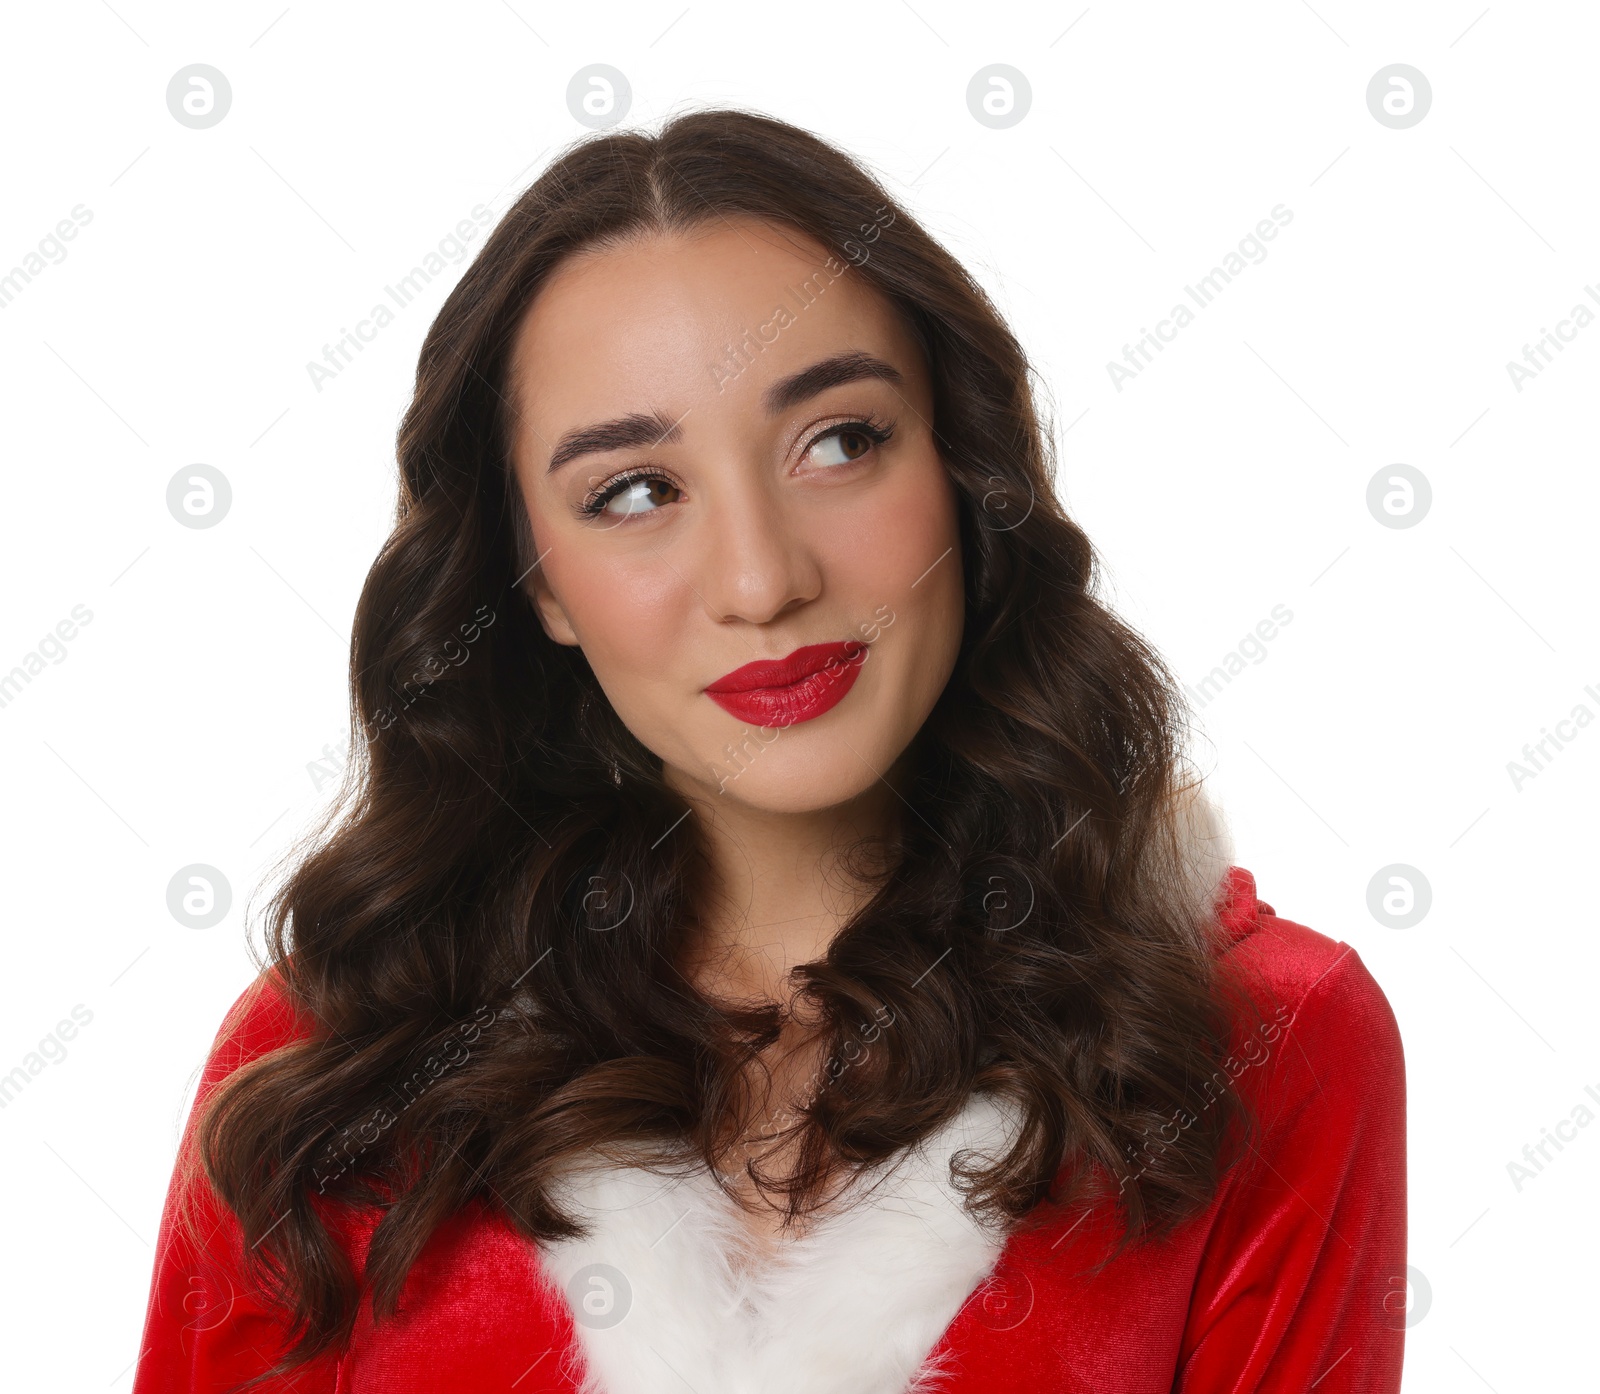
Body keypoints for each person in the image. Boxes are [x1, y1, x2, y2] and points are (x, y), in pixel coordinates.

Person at [132, 109, 1406, 1394]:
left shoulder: (1263, 1039)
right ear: (537, 584)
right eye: (634, 490)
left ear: (965, 471)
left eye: (839, 441)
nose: (760, 579)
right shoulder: (327, 1055)